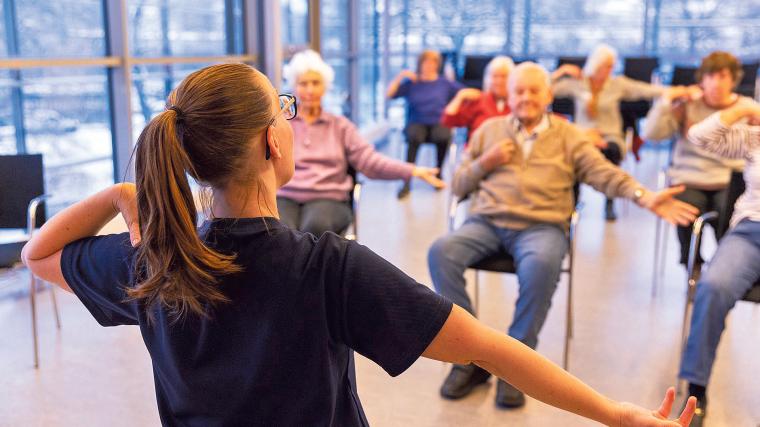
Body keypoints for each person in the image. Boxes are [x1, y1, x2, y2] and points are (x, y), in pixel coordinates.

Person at [21, 63, 695, 427]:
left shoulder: (152, 262)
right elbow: (492, 348)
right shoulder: (325, 268)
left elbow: (38, 255)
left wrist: (118, 196)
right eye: (282, 105)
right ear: (271, 142)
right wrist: (612, 411)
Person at [428, 62, 699, 410]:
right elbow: (459, 184)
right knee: (441, 251)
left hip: (541, 226)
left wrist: (644, 196)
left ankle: (514, 367)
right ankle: (471, 357)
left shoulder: (569, 135)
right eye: (518, 91)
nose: (525, 98)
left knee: (542, 263)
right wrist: (486, 162)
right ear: (507, 96)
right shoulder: (488, 130)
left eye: (533, 91)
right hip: (486, 222)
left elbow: (603, 173)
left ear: (548, 95)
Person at [277, 50, 444, 236]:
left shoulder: (340, 126)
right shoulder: (283, 124)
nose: (309, 90)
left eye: (315, 83)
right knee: (280, 233)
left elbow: (369, 161)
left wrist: (411, 170)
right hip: (285, 196)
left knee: (315, 229)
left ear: (325, 87)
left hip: (328, 197)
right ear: (294, 87)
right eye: (303, 84)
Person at [680, 103, 760, 427]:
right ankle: (696, 390)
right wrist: (742, 107)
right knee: (712, 287)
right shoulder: (754, 138)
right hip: (750, 230)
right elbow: (700, 136)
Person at [643, 51, 751, 269]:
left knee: (730, 215)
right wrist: (666, 101)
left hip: (729, 179)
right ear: (702, 80)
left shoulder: (746, 107)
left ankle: (725, 267)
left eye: (722, 77)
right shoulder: (687, 106)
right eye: (710, 77)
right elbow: (652, 134)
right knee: (685, 210)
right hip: (690, 178)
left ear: (733, 80)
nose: (716, 83)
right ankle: (692, 265)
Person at [552, 44, 668, 220]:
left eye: (612, 65)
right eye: (606, 65)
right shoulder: (578, 83)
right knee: (574, 156)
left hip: (610, 137)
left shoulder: (617, 84)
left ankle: (610, 203)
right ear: (596, 65)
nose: (610, 69)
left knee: (609, 151)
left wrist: (671, 92)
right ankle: (572, 203)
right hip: (582, 136)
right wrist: (561, 72)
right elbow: (543, 90)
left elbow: (644, 90)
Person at [387, 50, 464, 199]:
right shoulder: (412, 83)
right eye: (426, 62)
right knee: (415, 136)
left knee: (443, 135)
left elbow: (464, 93)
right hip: (416, 122)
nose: (429, 65)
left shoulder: (444, 83)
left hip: (438, 122)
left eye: (433, 62)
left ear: (437, 65)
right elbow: (389, 94)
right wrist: (401, 76)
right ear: (420, 64)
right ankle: (407, 181)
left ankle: (438, 172)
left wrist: (453, 106)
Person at [441, 55, 514, 137]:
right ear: (488, 79)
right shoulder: (479, 99)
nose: (499, 81)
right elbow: (447, 120)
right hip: (479, 148)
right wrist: (460, 97)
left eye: (503, 76)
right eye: (495, 76)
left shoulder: (517, 103)